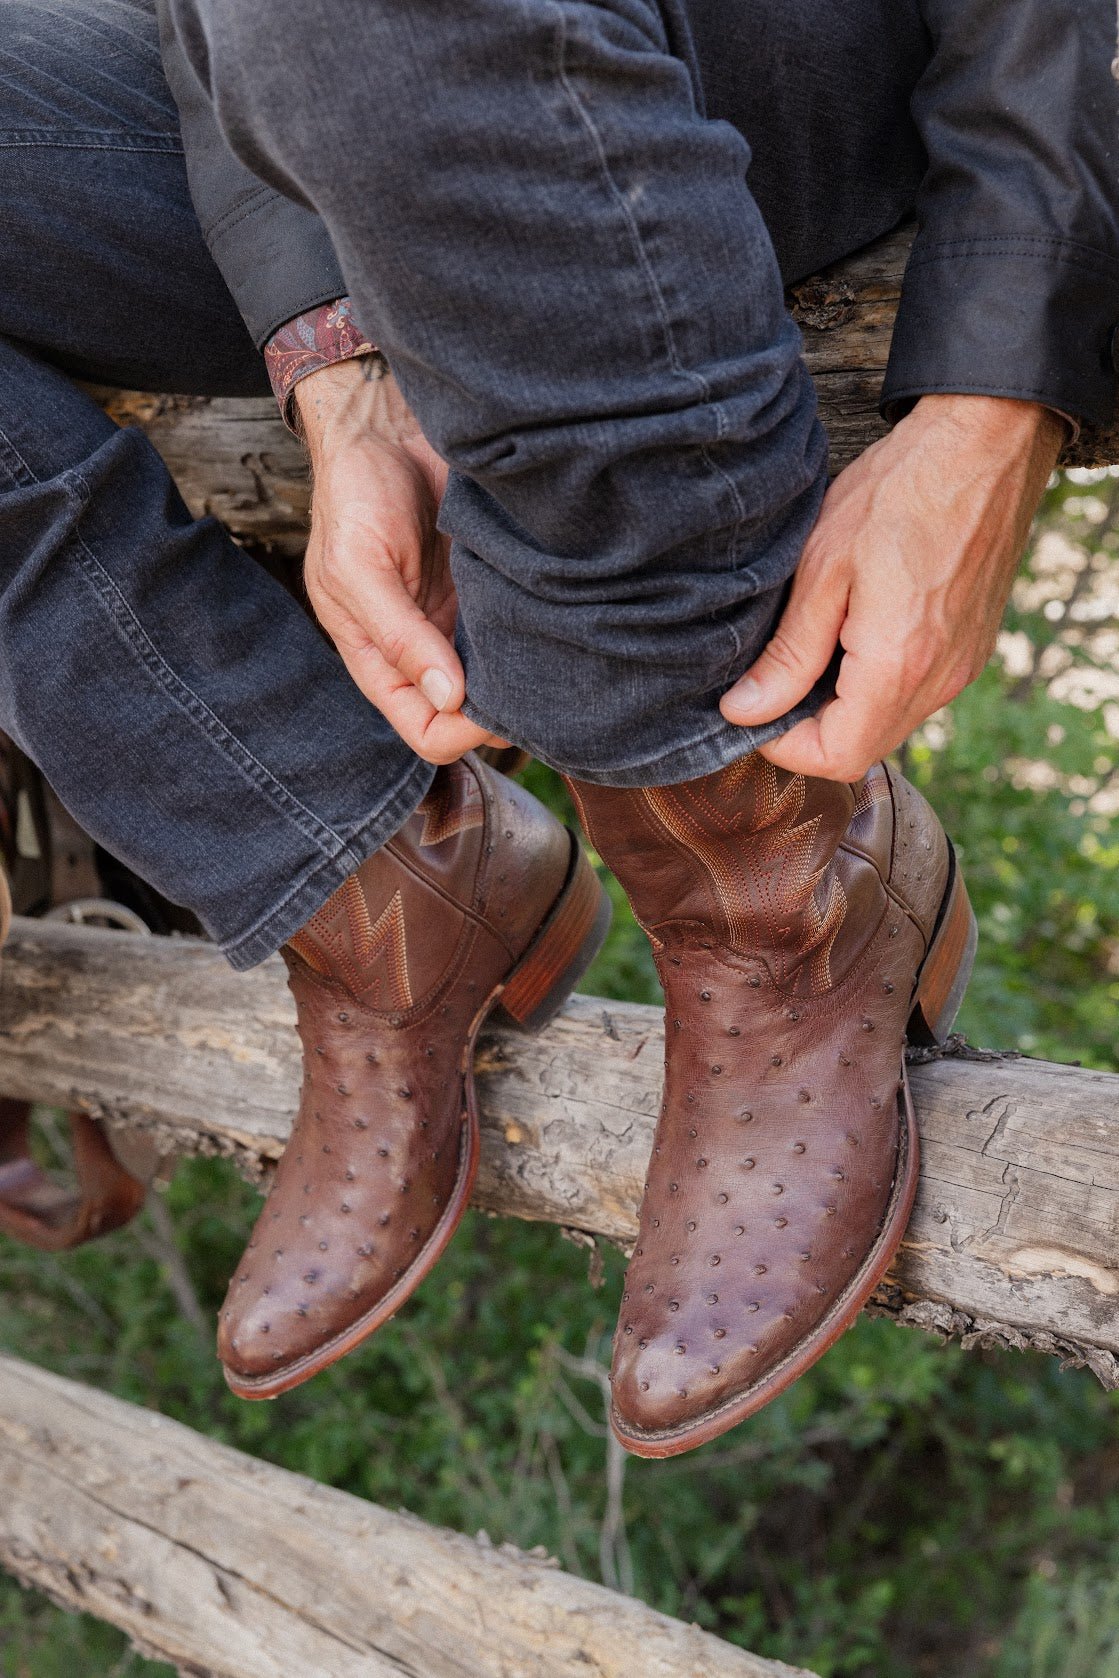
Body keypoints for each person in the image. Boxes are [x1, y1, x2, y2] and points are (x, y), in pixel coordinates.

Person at [0, 0, 1113, 1457]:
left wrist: (995, 397)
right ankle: (361, 867)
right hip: (295, 105)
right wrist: (336, 368)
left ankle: (771, 883)